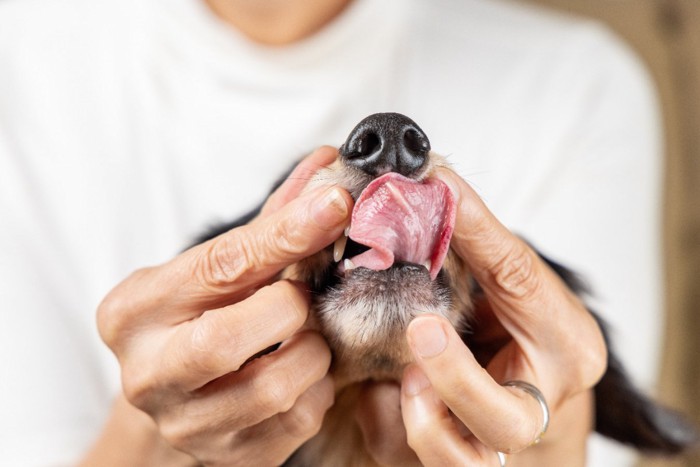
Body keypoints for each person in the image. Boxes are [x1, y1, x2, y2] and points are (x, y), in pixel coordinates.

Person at [0, 0, 663, 465]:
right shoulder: (20, 67)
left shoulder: (578, 88)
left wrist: (555, 441)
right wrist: (151, 443)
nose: (393, 155)